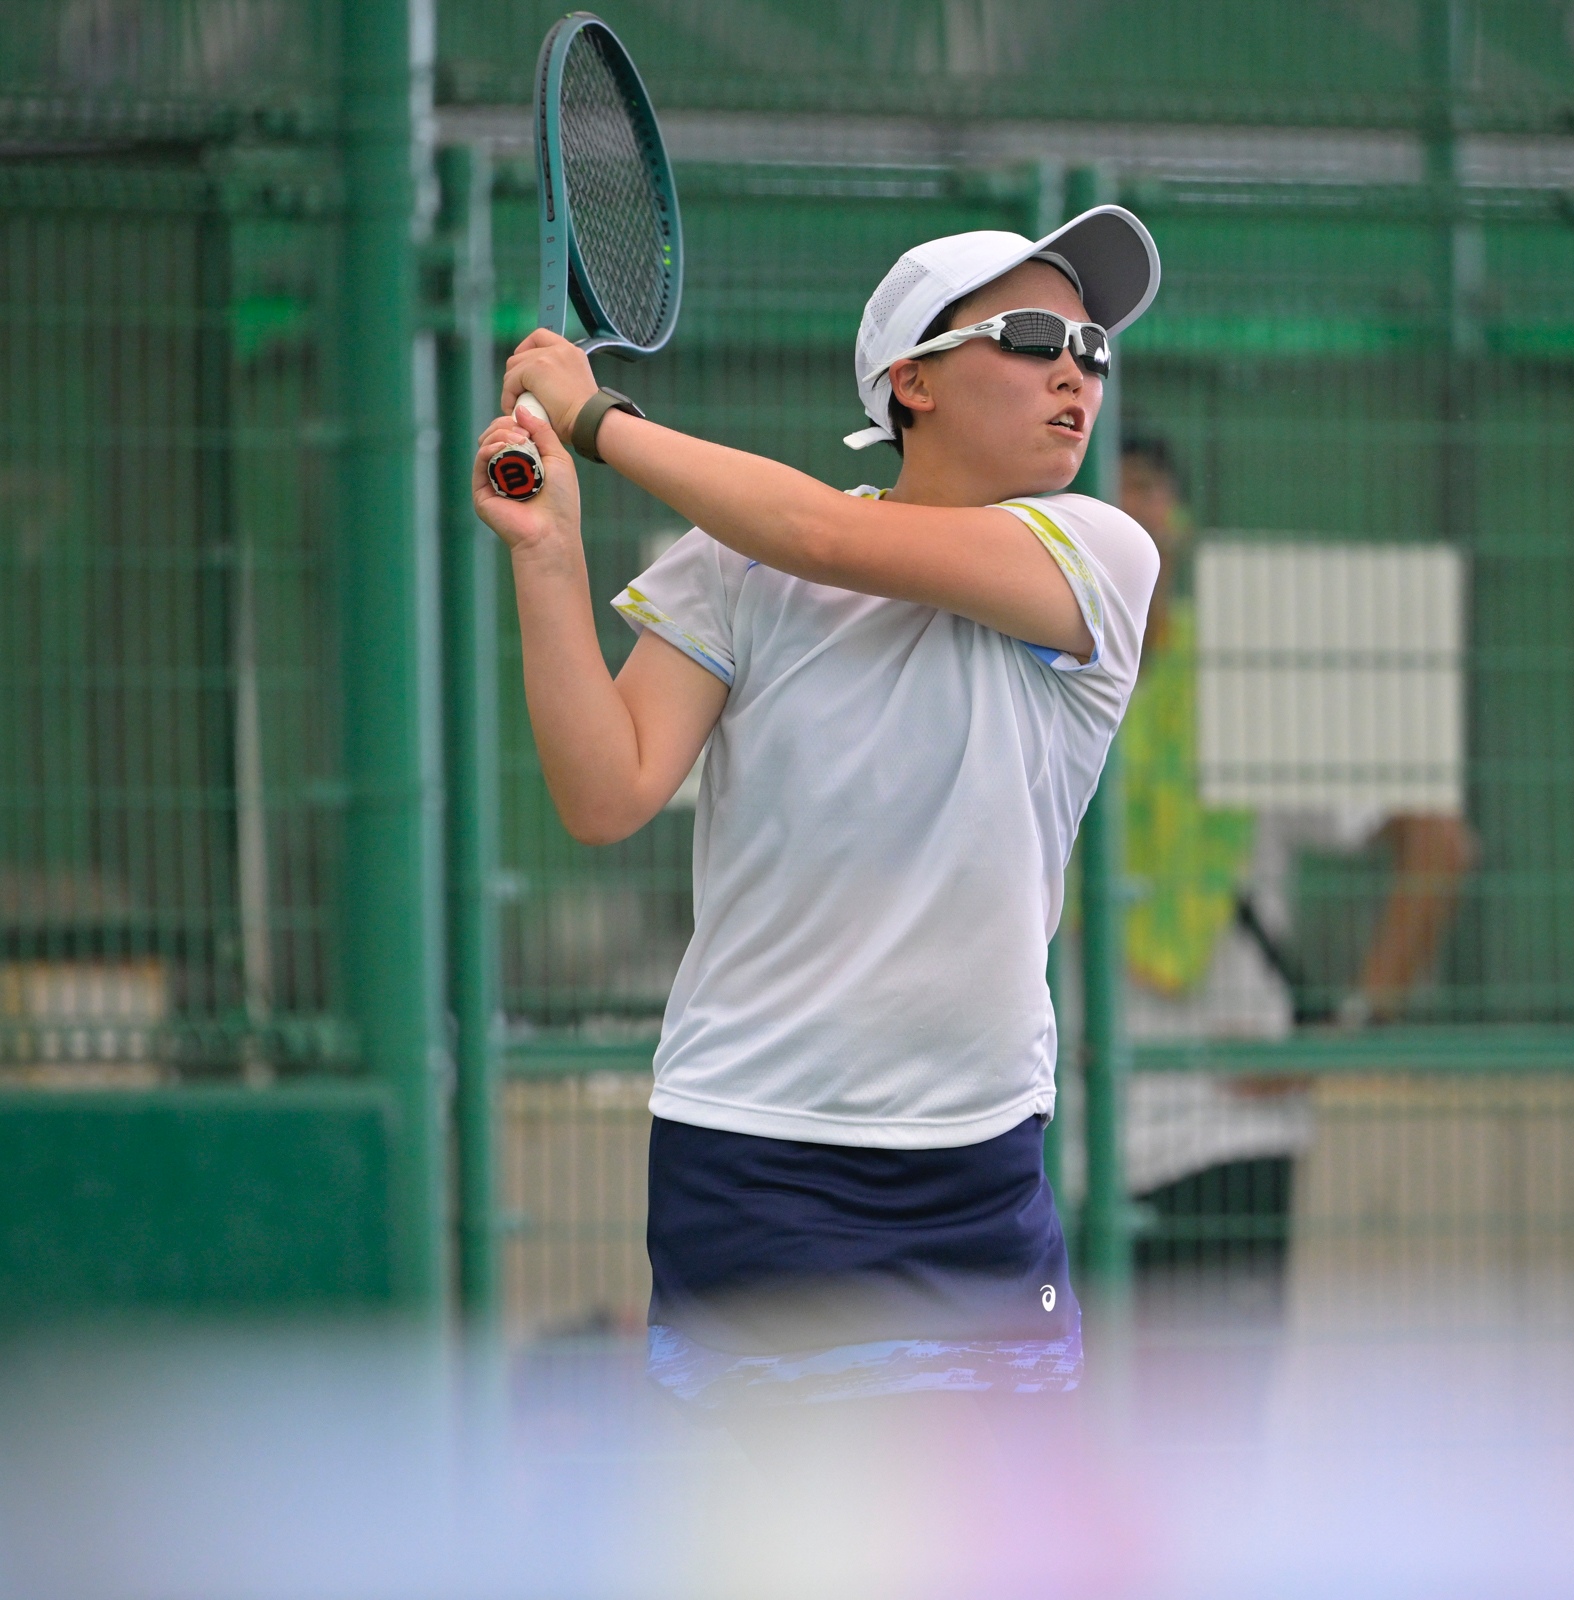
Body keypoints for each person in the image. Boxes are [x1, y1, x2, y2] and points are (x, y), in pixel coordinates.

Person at [471, 209, 1162, 1433]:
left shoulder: (1102, 554)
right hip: (750, 1156)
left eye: (1092, 346)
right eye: (1031, 336)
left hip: (979, 1167)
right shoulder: (731, 565)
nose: (1075, 370)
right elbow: (606, 791)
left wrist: (597, 419)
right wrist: (549, 551)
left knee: (998, 1529)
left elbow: (824, 533)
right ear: (913, 381)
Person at [1111, 437, 1477, 1298]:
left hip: (1224, 1130)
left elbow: (1438, 840)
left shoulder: (1243, 683)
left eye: (1148, 489)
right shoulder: (1020, 690)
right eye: (1102, 490)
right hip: (1054, 1139)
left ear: (1180, 524)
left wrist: (1348, 1029)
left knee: (1211, 1383)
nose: (1127, 510)